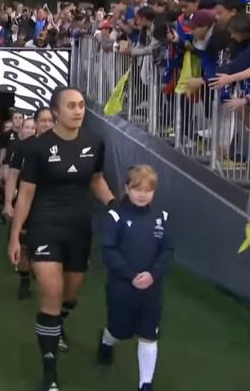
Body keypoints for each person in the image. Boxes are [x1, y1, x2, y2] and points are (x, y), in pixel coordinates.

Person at [8, 88, 116, 391]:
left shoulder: (95, 143)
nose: (78, 110)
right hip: (46, 227)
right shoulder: (37, 148)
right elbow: (26, 193)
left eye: (81, 105)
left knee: (70, 295)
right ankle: (50, 374)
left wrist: (116, 208)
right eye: (71, 106)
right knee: (52, 293)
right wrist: (15, 236)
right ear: (56, 111)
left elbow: (96, 181)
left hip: (79, 229)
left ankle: (58, 324)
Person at [97, 165, 174, 391]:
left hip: (152, 289)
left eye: (148, 190)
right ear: (127, 188)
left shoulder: (162, 217)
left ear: (154, 192)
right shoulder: (115, 216)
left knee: (149, 335)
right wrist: (131, 276)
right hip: (122, 287)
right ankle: (106, 340)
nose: (142, 194)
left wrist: (153, 275)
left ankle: (145, 384)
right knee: (120, 331)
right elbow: (109, 251)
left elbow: (167, 251)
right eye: (137, 189)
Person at [4, 108, 55, 301]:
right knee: (24, 247)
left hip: (51, 207)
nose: (46, 124)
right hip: (27, 204)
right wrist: (9, 202)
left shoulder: (64, 147)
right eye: (42, 121)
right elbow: (12, 176)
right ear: (36, 124)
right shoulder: (23, 147)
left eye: (50, 120)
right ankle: (25, 279)